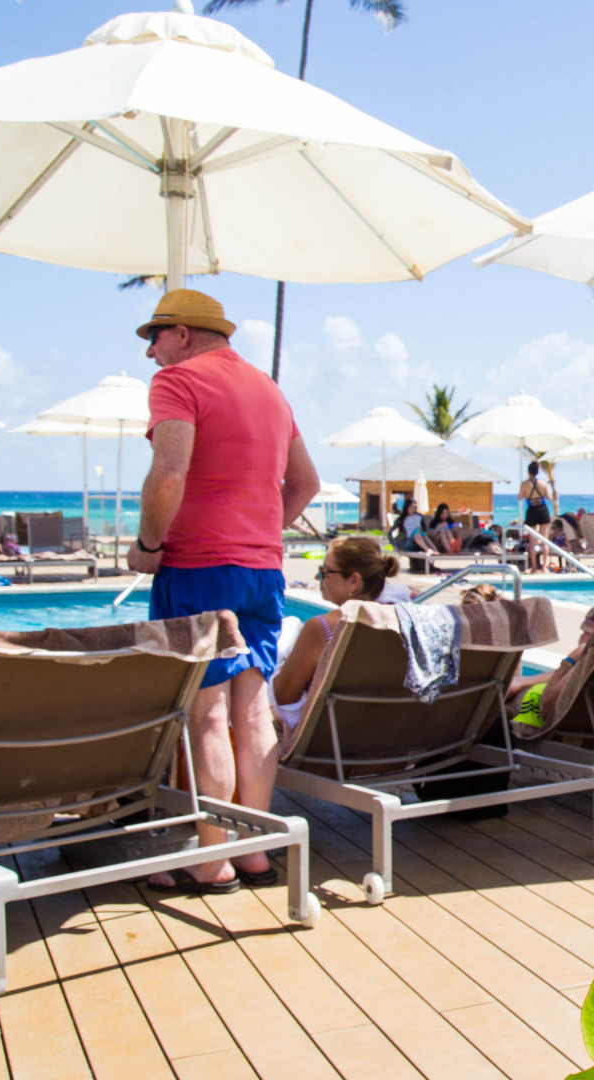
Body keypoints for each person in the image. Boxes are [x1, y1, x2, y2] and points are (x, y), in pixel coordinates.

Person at [126, 288, 320, 895]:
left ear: (182, 333)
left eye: (154, 337)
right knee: (253, 710)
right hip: (262, 571)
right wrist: (258, 530)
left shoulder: (178, 381)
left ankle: (212, 860)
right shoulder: (269, 391)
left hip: (196, 569)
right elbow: (306, 484)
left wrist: (149, 546)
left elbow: (169, 472)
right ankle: (254, 850)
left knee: (207, 712)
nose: (151, 353)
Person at [269, 536, 399, 730]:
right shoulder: (399, 624)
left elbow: (282, 697)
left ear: (353, 581)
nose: (317, 578)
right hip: (385, 735)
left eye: (325, 572)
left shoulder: (322, 629)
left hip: (332, 739)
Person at [518, 461, 554, 572]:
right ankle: (544, 567)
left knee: (532, 541)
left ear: (529, 471)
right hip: (542, 509)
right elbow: (549, 497)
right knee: (544, 539)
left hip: (531, 510)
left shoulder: (524, 484)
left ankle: (534, 567)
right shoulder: (543, 483)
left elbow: (520, 497)